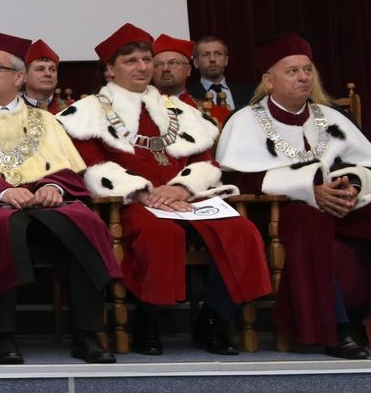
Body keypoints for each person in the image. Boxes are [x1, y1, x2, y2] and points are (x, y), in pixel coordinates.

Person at [59, 24, 273, 356]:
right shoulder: (86, 112)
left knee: (240, 231)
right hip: (131, 202)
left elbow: (205, 161)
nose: (143, 67)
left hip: (185, 199)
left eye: (147, 59)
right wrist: (143, 193)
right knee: (160, 234)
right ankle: (148, 320)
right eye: (131, 61)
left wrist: (182, 188)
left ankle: (213, 319)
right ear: (110, 70)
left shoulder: (179, 109)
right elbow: (91, 166)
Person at [0, 32, 119, 365]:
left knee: (87, 224)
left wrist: (55, 187)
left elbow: (67, 167)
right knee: (0, 229)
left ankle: (87, 333)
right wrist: (3, 190)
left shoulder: (45, 120)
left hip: (48, 202)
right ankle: (3, 335)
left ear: (18, 77)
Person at [215, 33, 370, 358]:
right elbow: (238, 178)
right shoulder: (246, 120)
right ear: (269, 81)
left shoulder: (331, 117)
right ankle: (337, 329)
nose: (303, 77)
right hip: (274, 212)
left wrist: (352, 187)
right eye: (293, 71)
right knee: (310, 220)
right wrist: (308, 190)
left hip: (337, 206)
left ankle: (360, 321)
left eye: (307, 69)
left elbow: (363, 163)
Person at [153, 33, 230, 127]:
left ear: (188, 70)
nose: (165, 69)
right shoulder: (139, 112)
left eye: (173, 63)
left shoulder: (217, 114)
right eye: (158, 65)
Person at [188, 35, 253, 113]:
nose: (212, 59)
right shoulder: (188, 97)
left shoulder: (250, 93)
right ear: (196, 63)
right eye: (206, 54)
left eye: (218, 54)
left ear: (226, 60)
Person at [22, 40, 64, 112]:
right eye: (40, 69)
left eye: (52, 69)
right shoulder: (13, 111)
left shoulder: (68, 109)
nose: (48, 74)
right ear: (24, 76)